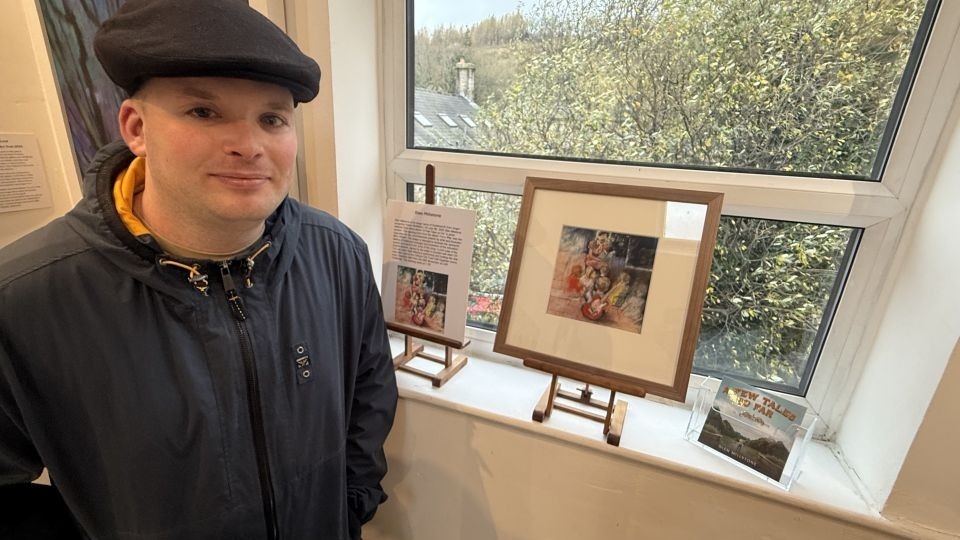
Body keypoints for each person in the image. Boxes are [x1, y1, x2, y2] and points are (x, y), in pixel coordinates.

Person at [0, 1, 398, 539]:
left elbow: (369, 389)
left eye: (272, 119)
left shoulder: (337, 255)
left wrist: (350, 504)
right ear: (136, 127)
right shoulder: (25, 298)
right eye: (203, 112)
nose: (249, 146)